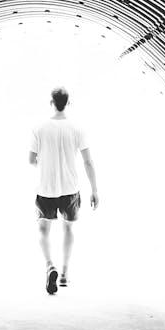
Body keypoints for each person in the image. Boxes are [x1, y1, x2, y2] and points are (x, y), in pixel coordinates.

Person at [29, 87, 99, 294]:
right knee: (68, 229)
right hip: (70, 188)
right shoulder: (78, 128)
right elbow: (88, 161)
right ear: (69, 103)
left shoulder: (39, 128)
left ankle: (50, 265)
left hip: (45, 187)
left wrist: (44, 163)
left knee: (43, 230)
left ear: (51, 102)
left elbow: (31, 160)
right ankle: (65, 274)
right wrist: (94, 189)